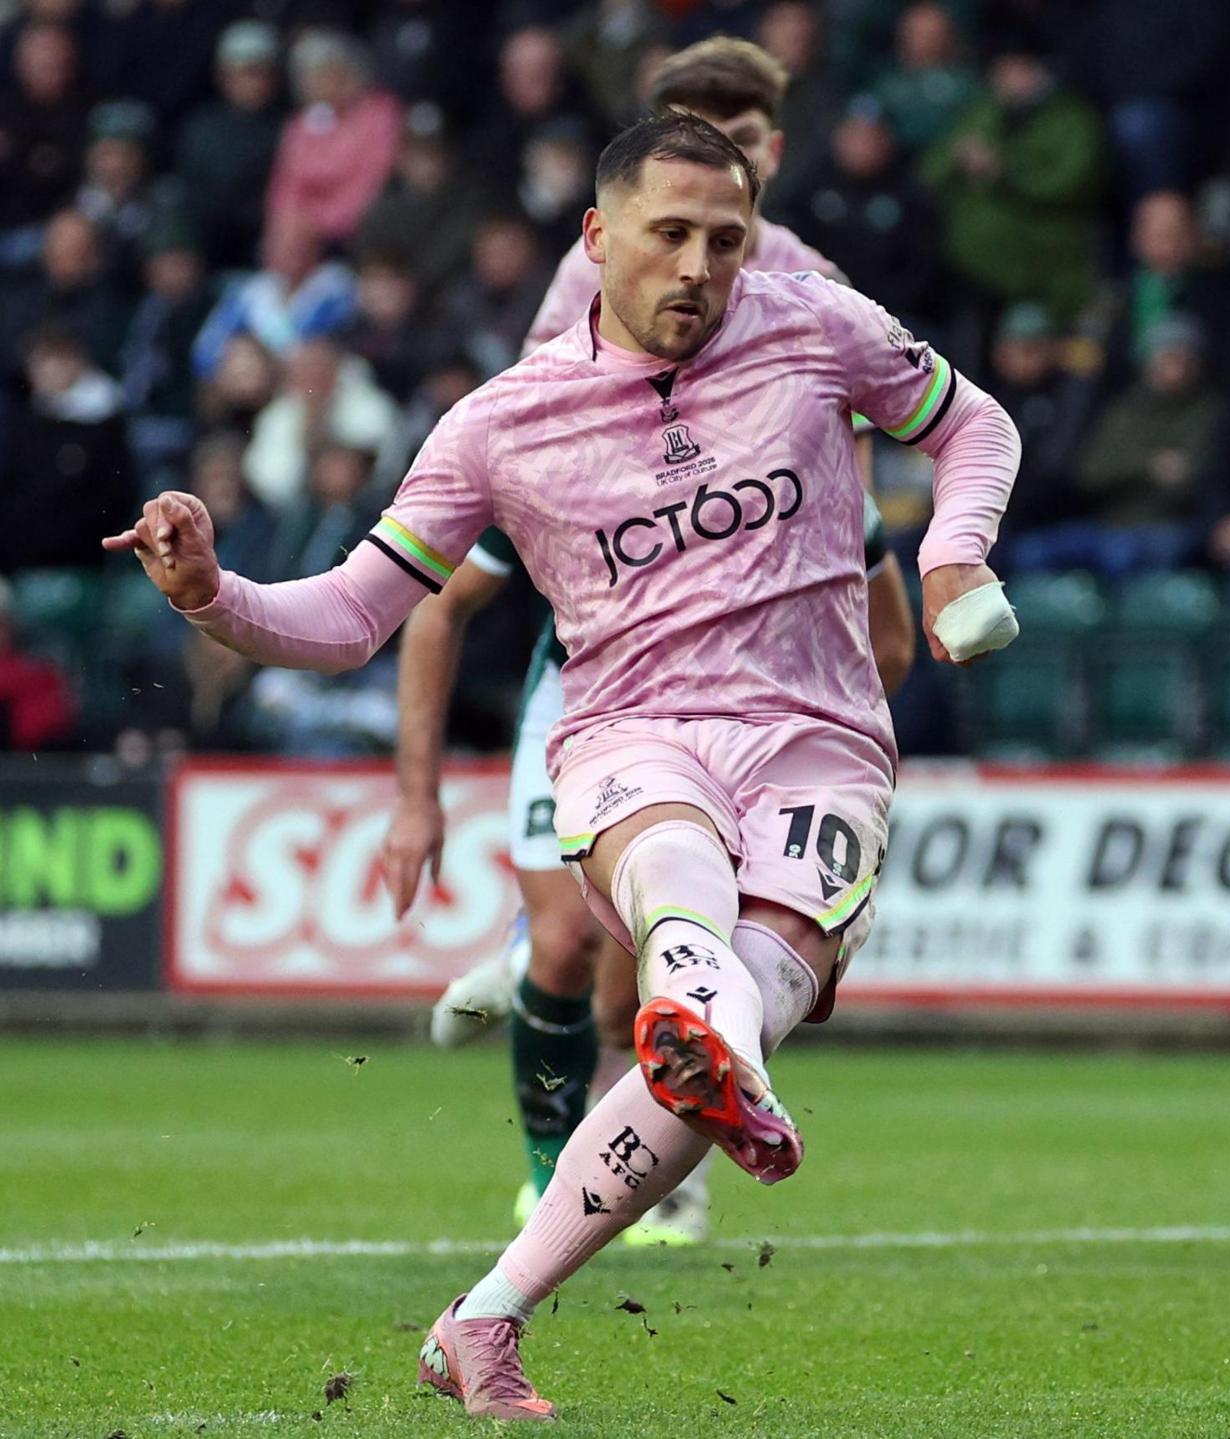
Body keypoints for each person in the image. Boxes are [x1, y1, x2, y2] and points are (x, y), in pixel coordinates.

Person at [109, 112, 1020, 1419]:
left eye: (726, 235)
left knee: (728, 1022)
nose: (702, 264)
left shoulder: (817, 322)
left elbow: (974, 426)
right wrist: (213, 592)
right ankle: (704, 1027)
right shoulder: (504, 423)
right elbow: (358, 612)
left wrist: (956, 553)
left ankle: (484, 1317)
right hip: (631, 737)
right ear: (599, 238)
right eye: (670, 235)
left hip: (824, 744)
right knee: (680, 886)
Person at [379, 37, 911, 1254]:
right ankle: (551, 1150)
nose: (697, 261)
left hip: (769, 650)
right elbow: (544, 456)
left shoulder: (814, 291)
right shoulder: (594, 289)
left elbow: (849, 461)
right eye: (689, 125)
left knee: (648, 966)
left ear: (774, 152)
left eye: (746, 132)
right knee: (581, 942)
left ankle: (657, 1167)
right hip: (610, 636)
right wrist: (414, 798)